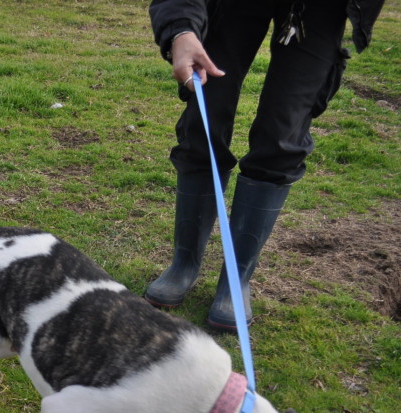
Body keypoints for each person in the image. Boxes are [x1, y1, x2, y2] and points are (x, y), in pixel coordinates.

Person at [146, 0, 384, 331]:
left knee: (282, 138)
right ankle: (184, 263)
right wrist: (181, 29)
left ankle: (236, 278)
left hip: (318, 9)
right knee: (204, 120)